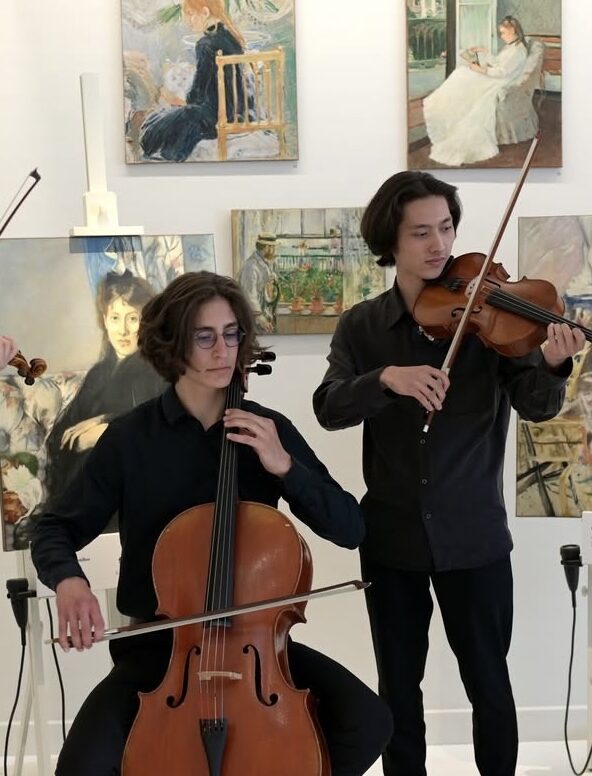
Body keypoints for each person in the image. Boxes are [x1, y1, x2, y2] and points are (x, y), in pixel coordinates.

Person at [31, 271, 392, 776]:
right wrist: (69, 581)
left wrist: (284, 466)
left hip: (256, 648)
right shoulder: (130, 440)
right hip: (160, 651)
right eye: (205, 336)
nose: (224, 350)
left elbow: (350, 527)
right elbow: (54, 528)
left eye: (232, 334)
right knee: (81, 768)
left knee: (368, 720)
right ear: (172, 345)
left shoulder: (268, 431)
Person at [312, 171, 586, 776]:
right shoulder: (362, 327)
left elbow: (536, 405)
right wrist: (385, 379)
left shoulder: (492, 323)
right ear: (392, 241)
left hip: (475, 538)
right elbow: (328, 407)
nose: (439, 244)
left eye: (446, 228)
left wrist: (553, 363)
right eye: (421, 232)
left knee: (489, 684)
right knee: (398, 688)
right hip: (390, 540)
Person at [44, 270, 165, 508]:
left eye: (132, 318)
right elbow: (59, 435)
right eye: (115, 318)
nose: (123, 330)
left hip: (125, 496)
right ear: (105, 320)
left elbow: (156, 428)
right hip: (82, 490)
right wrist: (82, 440)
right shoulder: (98, 373)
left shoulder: (158, 371)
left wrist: (106, 430)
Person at [140, 0, 248, 162]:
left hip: (213, 116)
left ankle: (165, 155)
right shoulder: (232, 38)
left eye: (191, 14)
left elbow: (199, 92)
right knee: (170, 118)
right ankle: (169, 153)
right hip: (235, 113)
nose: (187, 20)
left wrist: (178, 100)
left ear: (205, 12)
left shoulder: (205, 44)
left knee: (162, 123)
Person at [422, 16, 529, 166]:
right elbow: (499, 63)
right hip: (496, 77)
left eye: (504, 33)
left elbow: (502, 72)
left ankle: (444, 107)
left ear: (513, 30)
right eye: (501, 33)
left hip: (499, 82)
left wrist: (481, 70)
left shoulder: (518, 50)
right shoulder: (512, 46)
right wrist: (484, 52)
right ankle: (446, 109)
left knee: (462, 75)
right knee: (463, 73)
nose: (502, 36)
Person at [237, 232, 280, 333]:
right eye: (273, 248)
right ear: (266, 247)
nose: (274, 251)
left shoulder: (264, 263)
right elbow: (249, 294)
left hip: (263, 310)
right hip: (252, 315)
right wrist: (260, 317)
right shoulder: (251, 266)